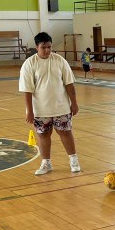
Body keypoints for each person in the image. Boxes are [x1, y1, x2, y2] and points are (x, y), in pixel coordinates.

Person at [19, 32, 81, 175]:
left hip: (61, 107)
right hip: (40, 110)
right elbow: (27, 90)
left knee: (65, 132)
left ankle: (73, 159)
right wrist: (29, 111)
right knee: (43, 135)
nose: (47, 50)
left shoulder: (60, 61)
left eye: (49, 47)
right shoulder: (29, 64)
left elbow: (69, 84)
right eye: (43, 47)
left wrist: (74, 103)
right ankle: (46, 163)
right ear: (36, 47)